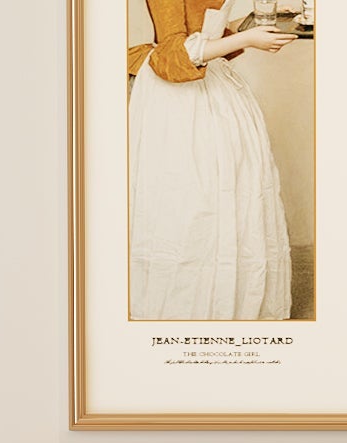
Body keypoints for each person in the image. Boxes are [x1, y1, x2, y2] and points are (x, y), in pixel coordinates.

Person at [127, 2, 297, 322]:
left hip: (216, 86)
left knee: (235, 189)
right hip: (179, 97)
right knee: (190, 197)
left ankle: (229, 300)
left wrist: (254, 23)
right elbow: (175, 51)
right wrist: (248, 40)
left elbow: (205, 31)